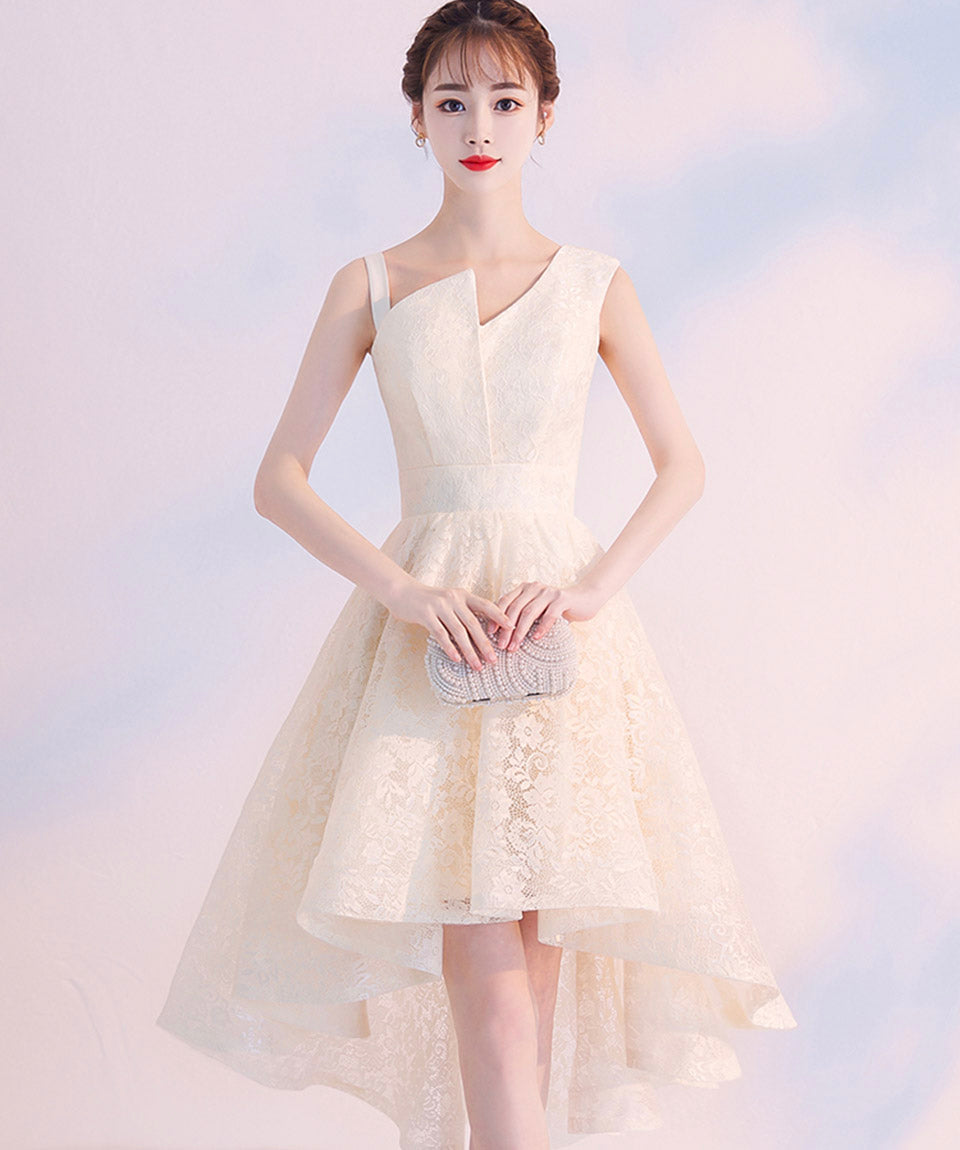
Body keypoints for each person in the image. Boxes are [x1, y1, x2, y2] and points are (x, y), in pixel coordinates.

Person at [156, 3, 797, 1148]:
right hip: (429, 646)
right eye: (452, 102)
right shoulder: (371, 283)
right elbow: (279, 478)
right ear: (417, 117)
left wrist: (593, 587)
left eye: (505, 101)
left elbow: (684, 465)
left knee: (528, 1002)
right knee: (494, 996)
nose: (480, 126)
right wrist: (400, 589)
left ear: (546, 114)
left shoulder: (595, 282)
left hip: (561, 649)